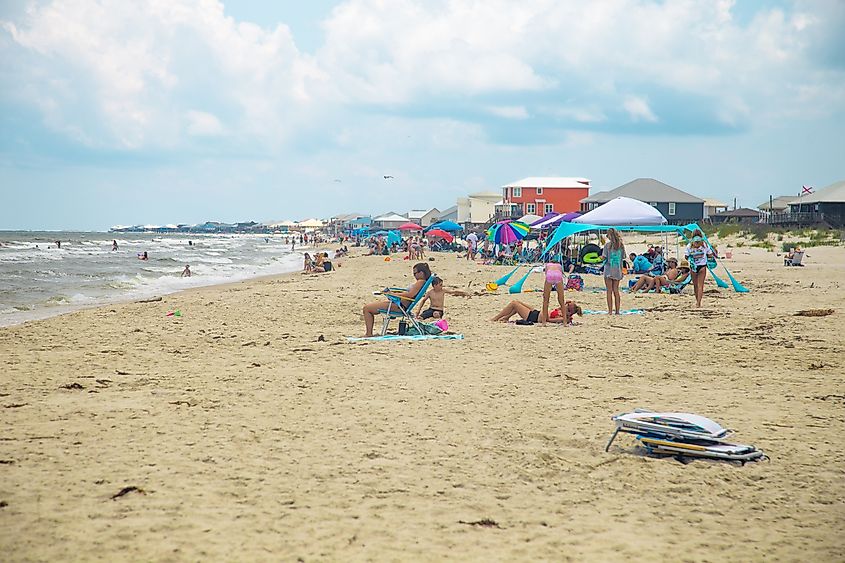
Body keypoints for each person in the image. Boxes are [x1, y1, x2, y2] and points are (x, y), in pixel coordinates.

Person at [361, 263, 431, 337]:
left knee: (367, 308)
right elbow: (409, 294)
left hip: (399, 306)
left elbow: (410, 295)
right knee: (369, 308)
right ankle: (369, 333)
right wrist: (393, 293)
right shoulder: (422, 282)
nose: (414, 276)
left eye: (415, 273)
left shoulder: (420, 282)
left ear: (421, 273)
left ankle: (369, 334)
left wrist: (393, 294)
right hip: (399, 304)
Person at [685, 229, 715, 308]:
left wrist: (693, 256)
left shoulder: (690, 245)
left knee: (695, 285)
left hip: (693, 266)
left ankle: (697, 300)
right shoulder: (704, 244)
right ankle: (699, 302)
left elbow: (686, 257)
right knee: (700, 285)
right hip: (702, 266)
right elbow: (710, 255)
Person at [490, 299, 582, 324]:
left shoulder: (563, 318)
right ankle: (506, 318)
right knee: (517, 302)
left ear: (569, 311)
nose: (565, 306)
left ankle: (496, 318)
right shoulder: (562, 310)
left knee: (514, 304)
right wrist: (568, 303)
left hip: (534, 318)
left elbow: (548, 320)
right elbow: (564, 302)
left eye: (567, 306)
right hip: (536, 313)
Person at [602, 228, 625, 314]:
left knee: (609, 291)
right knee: (616, 290)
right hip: (618, 270)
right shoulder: (621, 245)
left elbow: (604, 257)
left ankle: (610, 311)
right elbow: (622, 258)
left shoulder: (607, 245)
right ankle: (617, 311)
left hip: (608, 269)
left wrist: (599, 258)